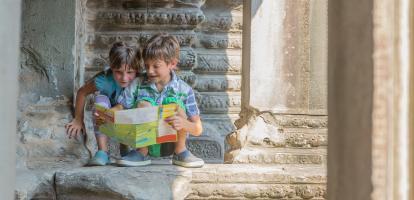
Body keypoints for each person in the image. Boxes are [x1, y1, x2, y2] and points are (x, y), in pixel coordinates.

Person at [117, 33, 204, 168]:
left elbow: (197, 129)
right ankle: (142, 152)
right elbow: (121, 107)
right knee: (143, 104)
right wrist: (109, 113)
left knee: (175, 105)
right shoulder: (138, 84)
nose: (150, 71)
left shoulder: (184, 90)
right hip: (144, 141)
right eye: (147, 65)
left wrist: (183, 123)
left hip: (170, 143)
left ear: (172, 64)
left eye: (156, 66)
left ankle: (180, 151)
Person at [65, 41, 142, 166]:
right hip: (107, 114)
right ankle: (103, 151)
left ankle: (126, 147)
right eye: (118, 72)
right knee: (100, 101)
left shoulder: (139, 81)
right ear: (111, 67)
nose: (124, 78)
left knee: (138, 104)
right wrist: (79, 119)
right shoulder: (103, 80)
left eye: (130, 72)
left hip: (127, 116)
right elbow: (82, 93)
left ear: (137, 70)